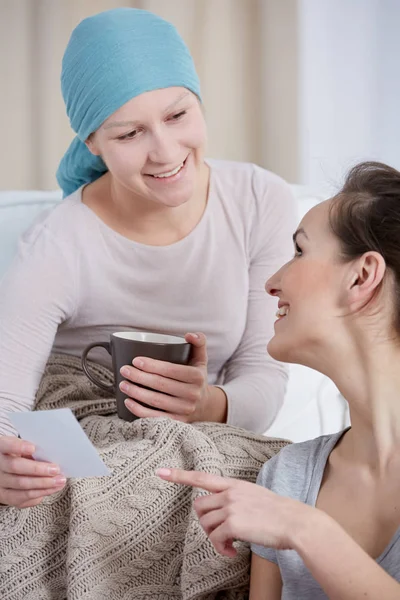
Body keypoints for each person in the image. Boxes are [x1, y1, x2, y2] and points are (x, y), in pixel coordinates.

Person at [0, 7, 296, 508]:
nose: (164, 152)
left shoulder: (259, 201)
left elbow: (264, 374)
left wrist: (207, 404)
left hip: (205, 444)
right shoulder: (57, 243)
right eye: (129, 133)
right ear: (92, 142)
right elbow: (6, 404)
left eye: (177, 115)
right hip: (88, 448)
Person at [157, 161, 400, 598]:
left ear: (362, 276)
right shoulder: (285, 479)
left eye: (300, 251)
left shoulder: (285, 511)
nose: (272, 283)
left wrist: (305, 529)